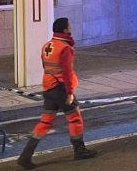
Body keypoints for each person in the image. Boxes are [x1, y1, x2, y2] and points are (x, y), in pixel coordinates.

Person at [17, 18, 97, 169]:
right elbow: (66, 72)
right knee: (75, 120)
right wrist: (70, 92)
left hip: (48, 88)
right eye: (69, 25)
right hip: (61, 89)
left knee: (45, 123)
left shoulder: (47, 45)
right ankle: (79, 150)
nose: (71, 27)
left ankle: (25, 156)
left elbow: (45, 66)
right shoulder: (65, 47)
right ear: (65, 30)